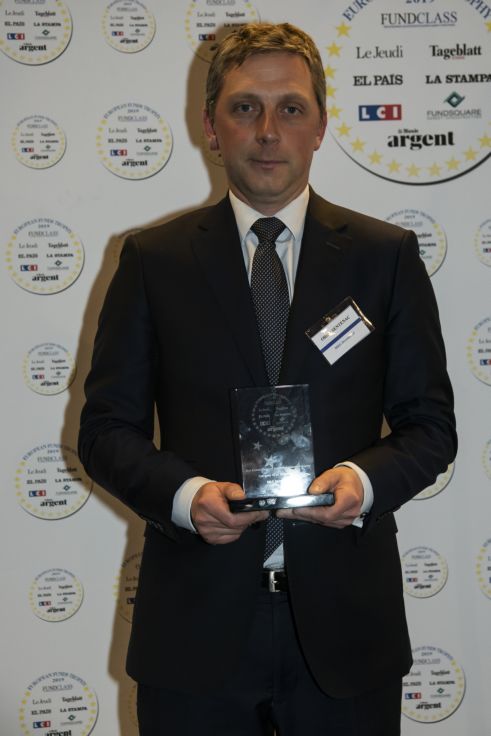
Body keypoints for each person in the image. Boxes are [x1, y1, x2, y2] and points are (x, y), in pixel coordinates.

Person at [79, 22, 457, 736]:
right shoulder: (153, 262)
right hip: (194, 627)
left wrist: (362, 483)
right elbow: (104, 432)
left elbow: (429, 427)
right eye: (244, 107)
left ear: (320, 127)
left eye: (291, 108)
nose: (268, 131)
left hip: (348, 628)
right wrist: (187, 498)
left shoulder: (385, 257)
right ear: (210, 127)